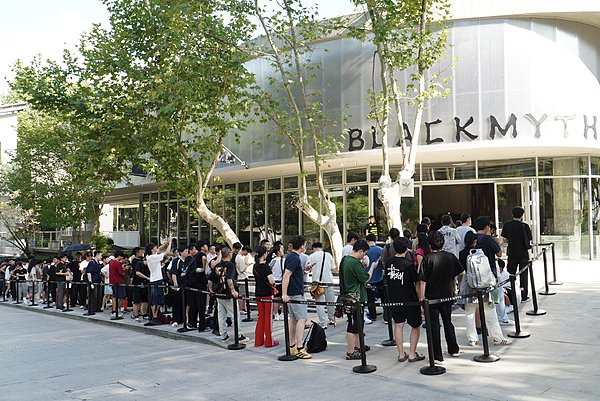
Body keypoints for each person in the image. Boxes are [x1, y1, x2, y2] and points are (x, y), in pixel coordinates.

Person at [460, 230, 512, 346]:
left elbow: (461, 270)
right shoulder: (481, 252)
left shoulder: (462, 253)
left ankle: (472, 338)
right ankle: (497, 337)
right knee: (490, 312)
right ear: (475, 241)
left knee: (470, 313)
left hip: (469, 285)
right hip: (484, 284)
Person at [419, 231, 463, 362]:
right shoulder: (450, 256)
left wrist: (421, 298)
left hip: (431, 297)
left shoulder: (428, 258)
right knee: (448, 322)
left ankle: (437, 354)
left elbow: (422, 281)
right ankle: (453, 349)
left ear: (430, 244)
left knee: (434, 325)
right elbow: (462, 272)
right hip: (447, 295)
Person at [385, 237, 425, 362]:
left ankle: (401, 354)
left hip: (394, 299)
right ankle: (412, 354)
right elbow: (416, 282)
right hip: (410, 299)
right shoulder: (408, 265)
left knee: (398, 325)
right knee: (415, 326)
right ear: (407, 249)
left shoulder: (389, 262)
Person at [341, 239, 377, 360]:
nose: (364, 256)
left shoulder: (345, 260)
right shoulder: (355, 263)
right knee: (353, 326)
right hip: (355, 298)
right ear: (361, 251)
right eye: (364, 253)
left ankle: (358, 346)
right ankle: (350, 352)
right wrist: (372, 268)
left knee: (358, 324)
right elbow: (364, 278)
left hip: (349, 296)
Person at [281, 235, 312, 359]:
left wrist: (303, 271)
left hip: (292, 292)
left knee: (293, 319)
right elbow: (286, 275)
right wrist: (284, 294)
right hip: (295, 293)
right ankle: (299, 347)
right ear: (302, 246)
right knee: (302, 318)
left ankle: (292, 346)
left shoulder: (290, 257)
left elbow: (291, 274)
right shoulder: (295, 258)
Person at [210, 247, 246, 343]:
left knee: (221, 316)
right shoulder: (230, 265)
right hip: (227, 294)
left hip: (219, 293)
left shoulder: (217, 265)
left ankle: (223, 335)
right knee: (235, 315)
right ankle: (238, 335)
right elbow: (229, 279)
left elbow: (210, 279)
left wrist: (211, 289)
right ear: (229, 254)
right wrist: (233, 291)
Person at [501, 206, 532, 301]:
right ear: (522, 215)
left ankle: (511, 294)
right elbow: (529, 238)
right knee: (524, 275)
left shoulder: (507, 225)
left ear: (512, 214)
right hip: (523, 253)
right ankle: (523, 295)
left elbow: (505, 238)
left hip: (512, 252)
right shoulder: (525, 226)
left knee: (510, 274)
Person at [253, 246, 279, 347]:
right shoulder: (266, 267)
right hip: (267, 293)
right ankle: (269, 341)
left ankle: (258, 341)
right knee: (268, 317)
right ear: (264, 254)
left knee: (261, 317)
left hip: (258, 293)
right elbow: (271, 281)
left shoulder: (255, 266)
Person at [306, 242, 335, 328]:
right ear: (321, 247)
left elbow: (307, 268)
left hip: (317, 284)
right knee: (330, 302)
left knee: (319, 304)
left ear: (314, 248)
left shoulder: (311, 256)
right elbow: (332, 267)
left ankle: (323, 323)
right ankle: (332, 319)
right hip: (329, 281)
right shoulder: (328, 255)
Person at [145, 237, 172, 325]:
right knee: (156, 300)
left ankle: (155, 316)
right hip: (157, 279)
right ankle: (155, 316)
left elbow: (159, 249)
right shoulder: (154, 257)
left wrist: (165, 243)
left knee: (154, 299)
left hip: (153, 279)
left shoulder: (149, 256)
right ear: (152, 250)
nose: (157, 248)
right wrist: (170, 243)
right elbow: (166, 253)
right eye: (155, 248)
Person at [365, 233, 383, 322]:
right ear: (375, 240)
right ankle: (386, 315)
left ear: (367, 241)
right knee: (383, 296)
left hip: (368, 277)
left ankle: (373, 315)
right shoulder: (381, 250)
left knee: (370, 298)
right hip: (379, 276)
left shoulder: (365, 251)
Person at [170, 246, 187, 327]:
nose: (186, 253)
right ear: (181, 252)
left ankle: (183, 319)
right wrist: (175, 283)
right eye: (185, 251)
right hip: (178, 285)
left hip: (185, 285)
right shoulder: (176, 261)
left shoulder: (187, 261)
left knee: (185, 303)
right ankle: (175, 320)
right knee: (177, 303)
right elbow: (174, 273)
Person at [131, 247, 149, 322]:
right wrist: (147, 278)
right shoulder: (135, 261)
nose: (142, 253)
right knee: (136, 300)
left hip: (145, 283)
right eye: (141, 251)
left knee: (145, 299)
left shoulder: (142, 260)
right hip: (137, 282)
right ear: (137, 252)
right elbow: (137, 272)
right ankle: (135, 315)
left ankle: (144, 314)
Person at [108, 251, 127, 317]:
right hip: (119, 282)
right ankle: (117, 311)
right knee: (121, 297)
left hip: (112, 282)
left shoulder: (111, 263)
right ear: (119, 256)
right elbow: (122, 273)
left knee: (115, 297)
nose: (122, 258)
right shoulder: (117, 263)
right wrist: (124, 269)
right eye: (121, 256)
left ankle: (114, 311)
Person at [269, 244, 285, 320]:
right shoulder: (283, 260)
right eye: (281, 249)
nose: (283, 250)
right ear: (278, 251)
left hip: (274, 281)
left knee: (275, 298)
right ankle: (282, 313)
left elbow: (270, 268)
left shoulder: (273, 260)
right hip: (281, 281)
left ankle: (276, 314)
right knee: (281, 298)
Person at [236, 246, 254, 313]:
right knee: (242, 295)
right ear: (245, 251)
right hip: (242, 278)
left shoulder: (239, 257)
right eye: (247, 252)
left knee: (244, 295)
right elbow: (242, 269)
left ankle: (244, 308)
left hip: (242, 278)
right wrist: (247, 265)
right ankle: (241, 309)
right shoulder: (240, 258)